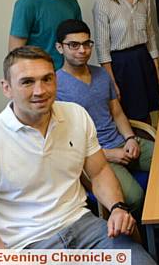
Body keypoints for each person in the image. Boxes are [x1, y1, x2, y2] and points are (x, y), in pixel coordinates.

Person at [0, 46, 154, 264]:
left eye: (47, 79)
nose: (40, 90)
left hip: (85, 226)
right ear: (6, 88)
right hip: (28, 246)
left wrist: (117, 207)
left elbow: (100, 171)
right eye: (27, 82)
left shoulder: (76, 115)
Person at [55, 19, 153, 214]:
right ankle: (146, 237)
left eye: (86, 44)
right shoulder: (55, 85)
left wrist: (130, 138)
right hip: (95, 155)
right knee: (134, 198)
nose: (82, 50)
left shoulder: (101, 74)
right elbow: (62, 141)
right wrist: (107, 154)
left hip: (121, 143)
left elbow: (116, 112)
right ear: (60, 48)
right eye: (73, 45)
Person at [93, 0, 159, 121]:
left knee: (149, 113)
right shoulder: (103, 3)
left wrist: (157, 69)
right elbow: (103, 49)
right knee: (128, 114)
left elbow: (151, 35)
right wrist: (111, 82)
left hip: (143, 60)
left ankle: (150, 146)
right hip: (120, 66)